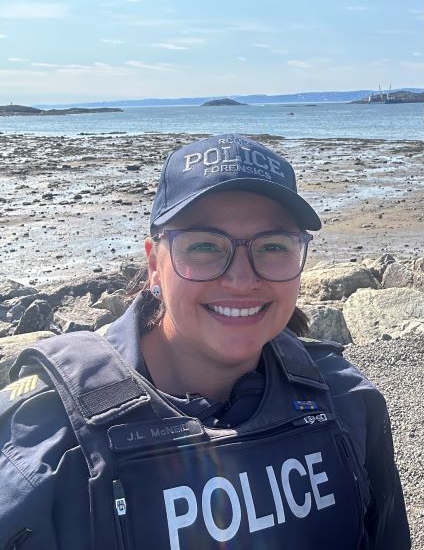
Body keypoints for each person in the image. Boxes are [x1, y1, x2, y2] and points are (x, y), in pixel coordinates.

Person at [0, 133, 410, 550]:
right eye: (204, 246)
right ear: (154, 264)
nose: (242, 279)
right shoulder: (43, 440)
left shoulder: (344, 397)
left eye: (272, 245)